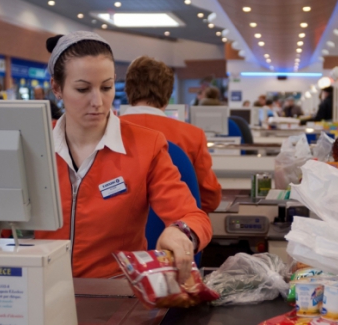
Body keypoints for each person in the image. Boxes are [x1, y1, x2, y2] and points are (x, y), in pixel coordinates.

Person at [36, 31, 211, 282]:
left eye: (106, 87)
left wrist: (182, 232)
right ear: (56, 87)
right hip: (39, 290)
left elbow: (195, 217)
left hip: (114, 294)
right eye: (83, 89)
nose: (98, 101)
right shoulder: (33, 142)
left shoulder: (146, 145)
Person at [120, 56, 222, 214]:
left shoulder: (102, 132)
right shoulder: (192, 136)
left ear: (128, 90)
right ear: (168, 94)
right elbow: (209, 199)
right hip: (176, 230)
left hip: (116, 233)